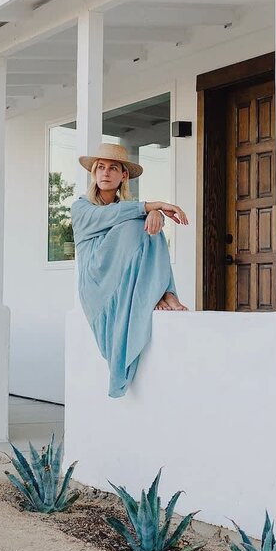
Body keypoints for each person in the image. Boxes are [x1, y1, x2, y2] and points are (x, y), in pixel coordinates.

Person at [70, 142, 188, 398]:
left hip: (120, 272)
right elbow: (111, 217)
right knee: (135, 225)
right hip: (95, 280)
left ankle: (165, 293)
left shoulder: (130, 210)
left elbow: (124, 213)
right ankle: (160, 292)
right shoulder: (80, 207)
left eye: (113, 168)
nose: (105, 173)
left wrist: (153, 213)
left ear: (123, 175)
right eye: (100, 167)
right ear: (93, 173)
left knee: (148, 228)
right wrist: (151, 206)